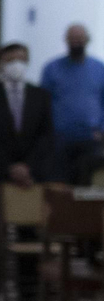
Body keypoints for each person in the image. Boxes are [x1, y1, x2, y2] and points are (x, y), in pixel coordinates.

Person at [0, 43, 54, 301]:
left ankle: (29, 290)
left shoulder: (40, 96)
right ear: (1, 64)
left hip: (30, 177)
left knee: (29, 231)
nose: (16, 64)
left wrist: (28, 167)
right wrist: (9, 168)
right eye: (10, 59)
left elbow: (46, 136)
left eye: (21, 59)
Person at [40, 24, 104, 183]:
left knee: (87, 188)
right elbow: (42, 104)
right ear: (66, 41)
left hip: (90, 139)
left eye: (79, 38)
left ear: (87, 39)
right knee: (59, 187)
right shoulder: (52, 68)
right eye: (72, 39)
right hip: (59, 139)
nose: (76, 42)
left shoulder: (99, 69)